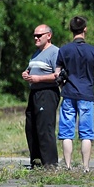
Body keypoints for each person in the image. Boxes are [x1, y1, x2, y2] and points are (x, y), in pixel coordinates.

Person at [56, 16, 94, 171]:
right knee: (86, 133)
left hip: (69, 95)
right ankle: (85, 167)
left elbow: (57, 75)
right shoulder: (93, 51)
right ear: (85, 29)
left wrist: (63, 85)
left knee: (66, 133)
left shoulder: (63, 50)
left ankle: (68, 166)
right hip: (86, 96)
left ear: (71, 30)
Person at [23, 25, 61, 168]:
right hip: (34, 93)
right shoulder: (36, 53)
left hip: (47, 92)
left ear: (49, 36)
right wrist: (26, 73)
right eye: (34, 35)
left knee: (45, 128)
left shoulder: (55, 52)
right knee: (31, 127)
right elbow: (32, 68)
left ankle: (50, 164)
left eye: (39, 35)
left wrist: (38, 79)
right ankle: (36, 162)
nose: (36, 38)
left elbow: (58, 75)